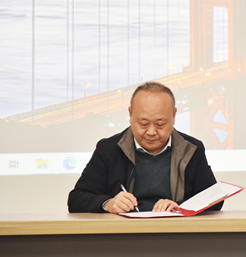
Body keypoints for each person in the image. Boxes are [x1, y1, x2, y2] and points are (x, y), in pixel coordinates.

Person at [68, 81, 222, 213]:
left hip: (173, 232)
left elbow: (215, 200)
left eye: (160, 124)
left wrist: (180, 207)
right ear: (130, 114)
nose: (151, 132)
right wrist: (108, 203)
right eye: (143, 123)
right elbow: (76, 199)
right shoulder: (109, 149)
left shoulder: (191, 149)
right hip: (124, 233)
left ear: (174, 115)